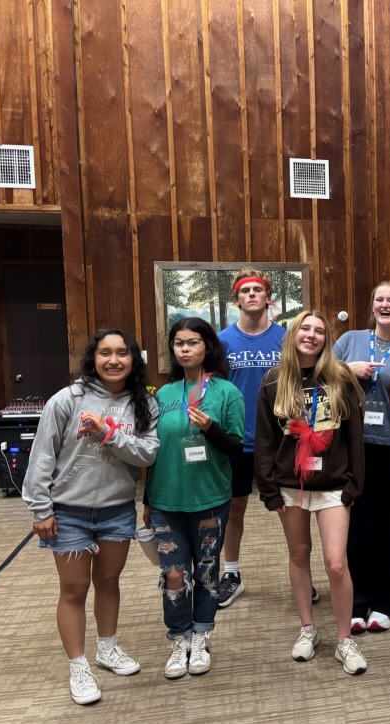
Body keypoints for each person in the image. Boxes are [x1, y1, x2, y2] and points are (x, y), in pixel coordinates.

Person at [23, 328, 159, 705]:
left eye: (122, 353)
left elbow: (147, 454)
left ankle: (107, 649)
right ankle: (78, 665)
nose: (113, 360)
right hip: (68, 511)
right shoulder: (67, 399)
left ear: (133, 359)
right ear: (93, 358)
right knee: (74, 589)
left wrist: (108, 433)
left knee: (109, 581)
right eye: (105, 353)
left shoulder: (143, 404)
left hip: (117, 508)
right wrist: (41, 509)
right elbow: (42, 456)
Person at [254, 310, 368, 674]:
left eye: (319, 331)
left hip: (333, 485)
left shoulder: (340, 377)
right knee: (299, 555)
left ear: (326, 340)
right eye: (305, 328)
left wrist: (353, 486)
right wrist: (269, 490)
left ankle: (345, 640)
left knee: (336, 563)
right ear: (293, 334)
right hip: (290, 486)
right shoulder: (274, 380)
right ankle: (307, 628)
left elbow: (355, 436)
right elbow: (265, 441)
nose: (311, 335)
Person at [145, 317, 245, 679]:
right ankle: (179, 638)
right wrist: (147, 500)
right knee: (173, 574)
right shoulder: (163, 394)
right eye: (179, 343)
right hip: (165, 499)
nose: (185, 349)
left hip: (209, 498)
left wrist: (210, 428)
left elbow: (237, 448)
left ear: (207, 347)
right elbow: (152, 450)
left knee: (206, 572)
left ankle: (201, 635)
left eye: (193, 342)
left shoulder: (226, 392)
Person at [333, 281, 390, 632]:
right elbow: (321, 374)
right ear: (372, 306)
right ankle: (357, 601)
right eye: (379, 299)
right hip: (354, 446)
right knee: (357, 527)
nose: (385, 305)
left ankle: (387, 602)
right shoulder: (349, 340)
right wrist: (347, 369)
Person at [216, 268, 289, 608]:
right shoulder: (223, 341)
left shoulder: (285, 338)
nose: (252, 295)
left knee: (290, 509)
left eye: (257, 290)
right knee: (235, 508)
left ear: (267, 297)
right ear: (237, 299)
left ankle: (300, 573)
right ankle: (231, 574)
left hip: (279, 439)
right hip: (237, 440)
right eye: (245, 291)